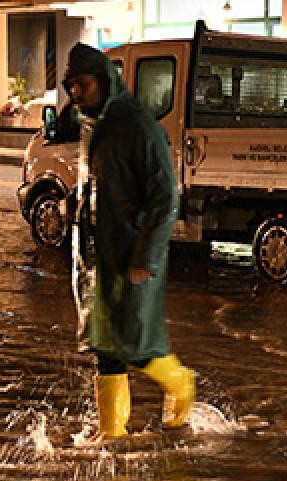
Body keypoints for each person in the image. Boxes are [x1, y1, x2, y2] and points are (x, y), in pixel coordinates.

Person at [61, 43, 195, 441]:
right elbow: (99, 181)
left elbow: (165, 196)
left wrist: (146, 257)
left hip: (130, 253)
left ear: (104, 82)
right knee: (106, 346)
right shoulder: (93, 125)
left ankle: (182, 385)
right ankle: (112, 436)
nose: (76, 94)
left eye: (81, 85)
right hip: (99, 255)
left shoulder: (138, 127)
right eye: (71, 87)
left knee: (137, 342)